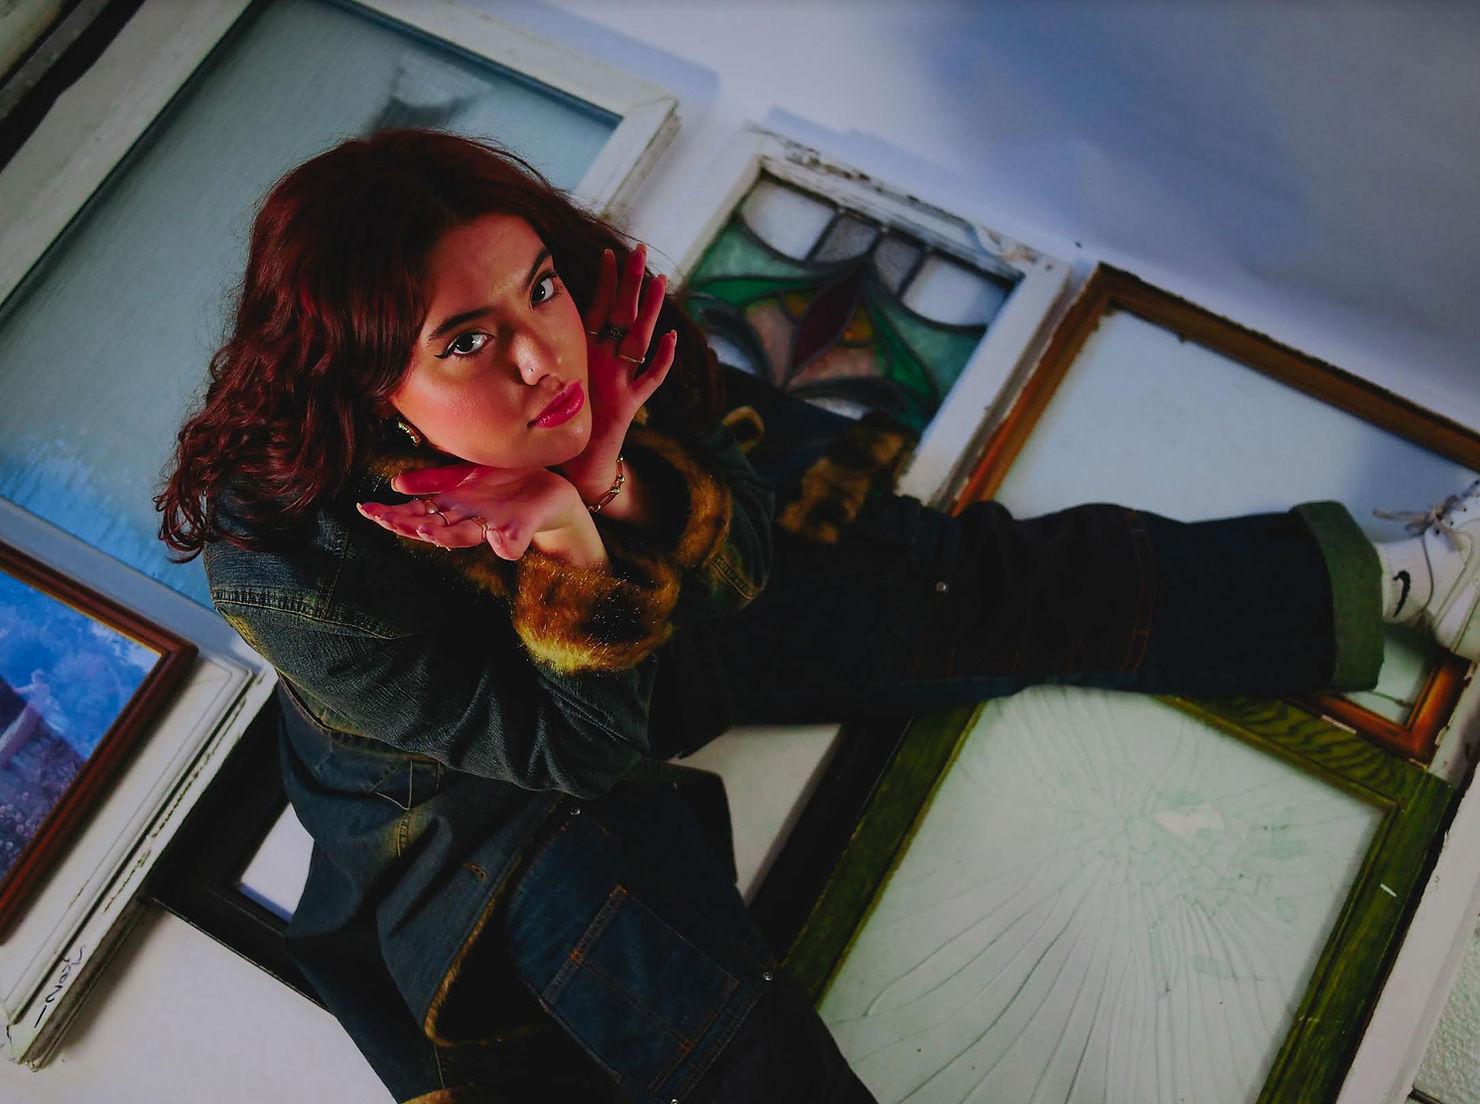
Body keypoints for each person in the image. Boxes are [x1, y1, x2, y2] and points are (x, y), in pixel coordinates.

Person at [156, 128, 1480, 1104]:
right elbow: (575, 754)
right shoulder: (285, 561)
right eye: (464, 341)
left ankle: (1412, 576)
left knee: (971, 585)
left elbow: (738, 562)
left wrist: (612, 483)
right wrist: (566, 552)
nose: (540, 356)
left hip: (642, 624)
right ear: (368, 388)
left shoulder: (596, 345)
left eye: (537, 289)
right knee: (698, 1019)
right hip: (473, 799)